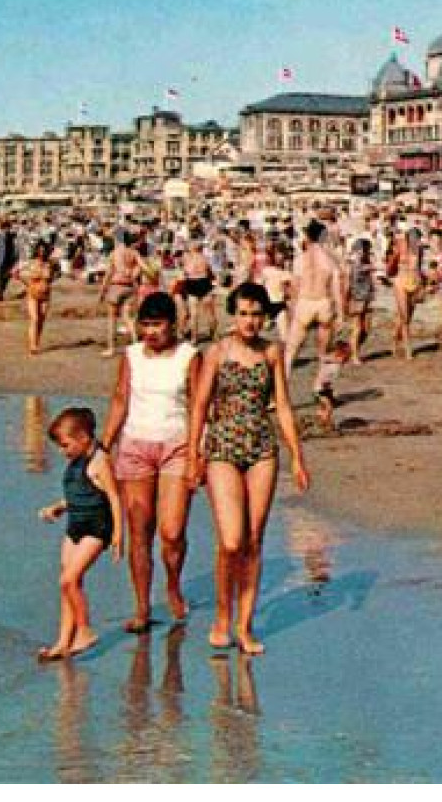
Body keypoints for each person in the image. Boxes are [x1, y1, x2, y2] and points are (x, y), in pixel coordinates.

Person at [186, 282, 310, 655]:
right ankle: (223, 615)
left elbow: (284, 406)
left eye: (256, 314)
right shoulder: (217, 352)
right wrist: (194, 454)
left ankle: (245, 624)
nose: (250, 321)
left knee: (254, 539)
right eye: (243, 313)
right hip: (223, 446)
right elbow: (200, 405)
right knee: (231, 540)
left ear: (265, 316)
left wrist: (298, 457)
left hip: (261, 447)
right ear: (233, 314)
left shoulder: (272, 352)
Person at [101, 293, 201, 634]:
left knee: (171, 532)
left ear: (173, 324)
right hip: (135, 445)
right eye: (145, 325)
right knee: (139, 530)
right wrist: (104, 445)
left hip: (177, 445)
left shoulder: (189, 356)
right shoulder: (131, 355)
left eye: (157, 325)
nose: (151, 332)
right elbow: (120, 398)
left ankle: (173, 584)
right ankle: (142, 607)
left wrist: (198, 454)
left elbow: (199, 406)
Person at [36, 407, 124, 661]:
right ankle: (63, 642)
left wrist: (118, 533)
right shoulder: (75, 462)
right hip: (74, 526)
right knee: (68, 584)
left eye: (66, 445)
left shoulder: (100, 462)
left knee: (68, 580)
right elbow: (78, 492)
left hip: (96, 529)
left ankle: (85, 630)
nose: (63, 452)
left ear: (84, 437)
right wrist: (58, 507)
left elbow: (114, 497)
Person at [283, 221, 341, 370]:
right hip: (324, 302)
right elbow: (336, 289)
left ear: (307, 236)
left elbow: (295, 288)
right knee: (324, 354)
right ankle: (322, 388)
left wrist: (291, 309)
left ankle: (283, 385)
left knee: (291, 350)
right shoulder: (330, 259)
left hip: (305, 301)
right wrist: (340, 313)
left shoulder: (300, 259)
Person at [98, 234, 145, 357]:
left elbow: (108, 273)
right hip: (129, 286)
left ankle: (111, 348)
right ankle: (135, 343)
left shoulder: (114, 253)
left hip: (116, 285)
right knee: (127, 317)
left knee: (112, 319)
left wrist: (102, 291)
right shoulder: (134, 253)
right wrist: (134, 275)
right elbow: (141, 267)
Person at [387, 227, 423, 360]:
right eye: (415, 239)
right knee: (405, 317)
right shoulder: (400, 248)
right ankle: (408, 350)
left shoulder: (419, 250)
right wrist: (390, 276)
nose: (417, 242)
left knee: (407, 317)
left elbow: (418, 268)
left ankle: (394, 341)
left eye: (418, 239)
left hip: (414, 281)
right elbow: (390, 267)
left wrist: (421, 284)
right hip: (400, 281)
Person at [17, 240, 59, 356]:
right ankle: (33, 345)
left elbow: (56, 275)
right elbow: (16, 273)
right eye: (40, 249)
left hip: (46, 295)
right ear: (36, 250)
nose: (42, 252)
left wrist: (49, 282)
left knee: (41, 320)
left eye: (43, 250)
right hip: (32, 294)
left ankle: (36, 341)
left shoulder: (50, 264)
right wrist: (27, 284)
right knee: (34, 319)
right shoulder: (31, 263)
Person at [344, 238, 376, 364]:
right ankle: (354, 355)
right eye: (366, 249)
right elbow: (349, 283)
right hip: (356, 298)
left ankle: (352, 350)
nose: (367, 252)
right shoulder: (354, 263)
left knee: (365, 328)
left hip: (366, 297)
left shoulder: (364, 262)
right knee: (357, 328)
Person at [0, 221, 19, 302]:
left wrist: (16, 259)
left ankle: (0, 290)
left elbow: (16, 247)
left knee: (6, 278)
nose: (8, 230)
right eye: (6, 228)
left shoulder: (12, 237)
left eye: (9, 228)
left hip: (10, 261)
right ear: (2, 229)